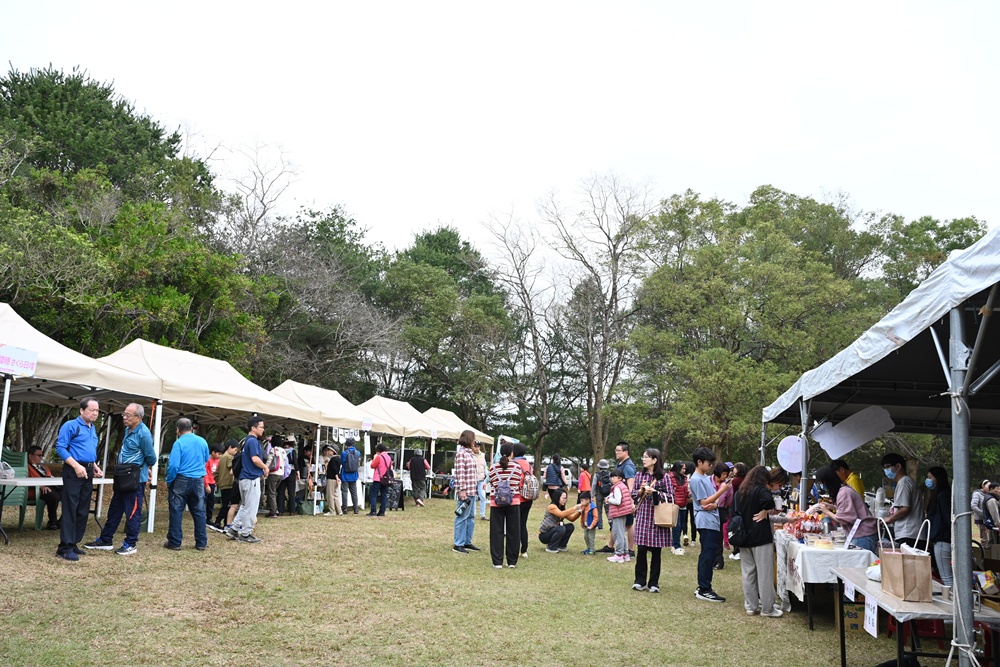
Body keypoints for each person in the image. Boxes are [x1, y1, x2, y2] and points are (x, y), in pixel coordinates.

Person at [84, 403, 156, 555]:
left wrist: (144, 468)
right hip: (122, 476)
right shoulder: (128, 430)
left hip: (134, 479)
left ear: (138, 417)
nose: (124, 417)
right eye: (124, 414)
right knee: (115, 509)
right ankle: (106, 539)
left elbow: (151, 457)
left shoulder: (143, 433)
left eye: (128, 415)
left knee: (132, 512)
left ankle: (131, 544)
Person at [54, 396, 104, 562]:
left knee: (82, 509)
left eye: (97, 410)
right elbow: (60, 448)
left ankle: (74, 542)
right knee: (71, 507)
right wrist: (76, 466)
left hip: (88, 470)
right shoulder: (71, 426)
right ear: (82, 410)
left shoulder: (92, 428)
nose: (95, 413)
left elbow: (87, 450)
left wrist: (94, 465)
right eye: (92, 410)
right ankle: (65, 547)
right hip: (73, 470)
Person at [734, 465, 783, 617]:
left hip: (743, 537)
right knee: (764, 573)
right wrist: (765, 510)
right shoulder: (761, 490)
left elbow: (734, 512)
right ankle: (767, 608)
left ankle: (750, 606)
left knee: (748, 573)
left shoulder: (740, 492)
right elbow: (769, 501)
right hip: (760, 537)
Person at [631, 448, 674, 593]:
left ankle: (654, 583)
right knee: (641, 548)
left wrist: (655, 492)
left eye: (646, 457)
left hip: (658, 516)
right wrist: (641, 491)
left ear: (655, 460)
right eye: (642, 457)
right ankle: (639, 581)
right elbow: (633, 495)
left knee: (656, 551)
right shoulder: (639, 475)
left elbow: (670, 496)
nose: (643, 460)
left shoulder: (664, 477)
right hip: (643, 515)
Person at [164, 418, 210, 551]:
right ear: (191, 428)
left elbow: (173, 466)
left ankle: (175, 541)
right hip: (198, 480)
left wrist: (169, 480)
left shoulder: (178, 443)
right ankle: (201, 542)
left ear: (177, 430)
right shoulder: (202, 441)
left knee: (176, 511)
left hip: (181, 479)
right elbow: (206, 459)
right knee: (199, 511)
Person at [690, 446, 730, 602]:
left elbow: (709, 502)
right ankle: (704, 588)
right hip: (705, 521)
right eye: (709, 463)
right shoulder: (696, 479)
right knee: (707, 554)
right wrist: (723, 490)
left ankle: (705, 586)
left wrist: (715, 502)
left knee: (710, 553)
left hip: (711, 520)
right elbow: (704, 502)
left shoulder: (704, 478)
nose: (711, 466)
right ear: (699, 462)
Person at [812, 466, 878, 554]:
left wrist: (826, 511)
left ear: (827, 481)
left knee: (861, 566)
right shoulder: (843, 490)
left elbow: (844, 519)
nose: (821, 486)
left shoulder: (844, 492)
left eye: (821, 483)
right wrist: (832, 507)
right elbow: (848, 509)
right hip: (861, 534)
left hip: (863, 535)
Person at [228, 416, 268, 543]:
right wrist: (265, 467)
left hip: (244, 477)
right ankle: (245, 533)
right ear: (253, 427)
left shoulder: (245, 441)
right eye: (261, 427)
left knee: (245, 506)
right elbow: (255, 459)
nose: (263, 430)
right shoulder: (253, 441)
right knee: (251, 506)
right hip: (251, 478)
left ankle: (233, 528)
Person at [487, 441, 524, 568]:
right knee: (513, 531)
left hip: (496, 502)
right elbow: (519, 482)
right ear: (511, 453)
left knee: (496, 531)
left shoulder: (493, 467)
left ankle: (497, 561)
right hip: (513, 502)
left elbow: (492, 482)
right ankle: (511, 561)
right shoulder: (517, 467)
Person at [598, 442, 637, 555]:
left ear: (625, 452)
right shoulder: (620, 464)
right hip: (618, 501)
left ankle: (630, 550)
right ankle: (610, 546)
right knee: (616, 524)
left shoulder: (628, 466)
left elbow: (631, 486)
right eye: (615, 450)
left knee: (629, 524)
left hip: (624, 502)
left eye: (618, 450)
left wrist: (631, 502)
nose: (616, 452)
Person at [881, 453, 925, 547]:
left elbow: (905, 508)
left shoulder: (904, 482)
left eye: (888, 467)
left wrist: (889, 519)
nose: (886, 470)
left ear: (898, 466)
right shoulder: (905, 481)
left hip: (909, 533)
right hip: (911, 533)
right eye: (884, 468)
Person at [453, 430, 480, 554]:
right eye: (473, 439)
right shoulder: (461, 454)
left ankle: (467, 541)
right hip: (466, 491)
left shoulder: (470, 454)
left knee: (470, 517)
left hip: (472, 490)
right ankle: (458, 543)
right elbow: (460, 473)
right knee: (462, 517)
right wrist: (462, 490)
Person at [925, 466, 953, 587]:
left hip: (943, 540)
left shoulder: (943, 496)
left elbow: (948, 519)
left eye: (930, 477)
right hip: (942, 540)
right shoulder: (941, 495)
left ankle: (954, 604)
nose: (928, 480)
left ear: (938, 478)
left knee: (946, 577)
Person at [26, 445, 60, 530]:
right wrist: (40, 486)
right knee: (53, 496)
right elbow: (27, 480)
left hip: (51, 487)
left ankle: (61, 522)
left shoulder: (43, 467)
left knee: (69, 493)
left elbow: (50, 476)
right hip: (37, 491)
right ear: (30, 456)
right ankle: (52, 522)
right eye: (39, 455)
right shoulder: (27, 467)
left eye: (42, 455)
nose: (41, 458)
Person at [539, 489, 581, 553]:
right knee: (561, 528)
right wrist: (575, 508)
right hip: (544, 535)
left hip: (553, 530)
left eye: (566, 498)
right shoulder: (552, 507)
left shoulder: (560, 508)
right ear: (557, 497)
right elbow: (561, 514)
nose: (565, 500)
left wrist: (579, 512)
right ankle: (551, 547)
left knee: (570, 527)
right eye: (563, 498)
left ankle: (561, 546)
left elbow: (572, 518)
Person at [605, 468, 633, 562]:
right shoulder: (623, 486)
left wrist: (609, 500)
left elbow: (618, 501)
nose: (612, 478)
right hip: (624, 512)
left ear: (620, 478)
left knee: (618, 533)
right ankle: (625, 553)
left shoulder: (617, 487)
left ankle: (619, 554)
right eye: (611, 477)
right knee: (622, 533)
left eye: (614, 477)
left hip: (618, 513)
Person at [512, 442, 534, 559]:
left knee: (515, 524)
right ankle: (524, 549)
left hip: (518, 498)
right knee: (523, 524)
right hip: (529, 498)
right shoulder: (529, 465)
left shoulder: (514, 463)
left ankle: (514, 548)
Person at [212, 439, 239, 530]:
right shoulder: (229, 458)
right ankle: (220, 521)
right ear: (230, 448)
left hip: (223, 485)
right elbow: (233, 468)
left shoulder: (222, 458)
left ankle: (221, 521)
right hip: (229, 484)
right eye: (235, 450)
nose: (235, 453)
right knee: (228, 505)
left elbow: (216, 473)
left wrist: (219, 482)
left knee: (225, 504)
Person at [714, 461, 733, 569]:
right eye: (724, 474)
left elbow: (730, 499)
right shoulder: (708, 481)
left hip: (721, 510)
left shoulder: (727, 484)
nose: (725, 476)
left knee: (718, 536)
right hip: (709, 510)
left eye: (727, 474)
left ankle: (719, 561)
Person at [669, 461, 689, 555]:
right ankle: (676, 546)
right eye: (682, 468)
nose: (684, 470)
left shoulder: (685, 478)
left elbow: (686, 490)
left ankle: (674, 543)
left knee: (681, 526)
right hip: (675, 504)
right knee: (676, 526)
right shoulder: (670, 477)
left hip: (683, 504)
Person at [728, 462, 747, 561]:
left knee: (735, 527)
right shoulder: (747, 481)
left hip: (734, 506)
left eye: (735, 468)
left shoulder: (734, 482)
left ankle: (736, 551)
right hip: (744, 507)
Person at [276, 435, 298, 516]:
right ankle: (292, 511)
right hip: (291, 472)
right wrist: (297, 471)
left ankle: (280, 510)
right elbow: (295, 462)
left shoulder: (280, 450)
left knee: (281, 491)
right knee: (291, 492)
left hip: (281, 472)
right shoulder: (292, 451)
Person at [368, 443, 392, 517]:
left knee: (373, 494)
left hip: (378, 478)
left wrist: (374, 458)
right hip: (385, 478)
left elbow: (372, 465)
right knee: (384, 494)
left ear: (378, 450)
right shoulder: (389, 457)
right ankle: (382, 511)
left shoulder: (379, 457)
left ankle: (373, 511)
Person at [264, 434, 284, 517]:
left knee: (271, 493)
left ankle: (273, 511)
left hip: (273, 473)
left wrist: (265, 468)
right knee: (274, 492)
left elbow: (269, 460)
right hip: (281, 473)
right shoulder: (283, 450)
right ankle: (275, 509)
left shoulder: (273, 449)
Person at [340, 437, 361, 514]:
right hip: (354, 475)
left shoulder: (344, 453)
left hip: (345, 475)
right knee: (354, 492)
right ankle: (356, 509)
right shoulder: (358, 453)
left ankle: (345, 509)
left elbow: (342, 463)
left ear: (346, 444)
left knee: (344, 492)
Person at [323, 445, 342, 516]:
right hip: (336, 479)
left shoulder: (333, 460)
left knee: (330, 495)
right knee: (335, 495)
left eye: (329, 450)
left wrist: (336, 477)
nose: (328, 451)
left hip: (332, 478)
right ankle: (339, 511)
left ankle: (332, 511)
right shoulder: (338, 459)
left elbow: (334, 469)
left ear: (333, 451)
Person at [593, 459, 611, 531]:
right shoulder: (610, 474)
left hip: (599, 494)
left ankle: (600, 526)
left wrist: (592, 495)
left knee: (599, 510)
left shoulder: (596, 474)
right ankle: (611, 524)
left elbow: (594, 485)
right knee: (608, 510)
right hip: (608, 495)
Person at [473, 440, 489, 521]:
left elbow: (485, 467)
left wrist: (487, 477)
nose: (477, 448)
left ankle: (482, 514)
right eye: (476, 446)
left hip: (481, 479)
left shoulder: (482, 455)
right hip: (473, 480)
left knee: (483, 497)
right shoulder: (470, 455)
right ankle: (474, 514)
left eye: (478, 446)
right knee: (474, 497)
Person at [579, 490, 598, 555]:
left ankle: (592, 549)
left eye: (582, 500)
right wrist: (582, 522)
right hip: (586, 525)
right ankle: (588, 548)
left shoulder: (593, 508)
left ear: (588, 500)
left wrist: (592, 525)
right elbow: (582, 515)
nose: (581, 502)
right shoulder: (584, 507)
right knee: (586, 536)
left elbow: (596, 517)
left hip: (591, 525)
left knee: (590, 537)